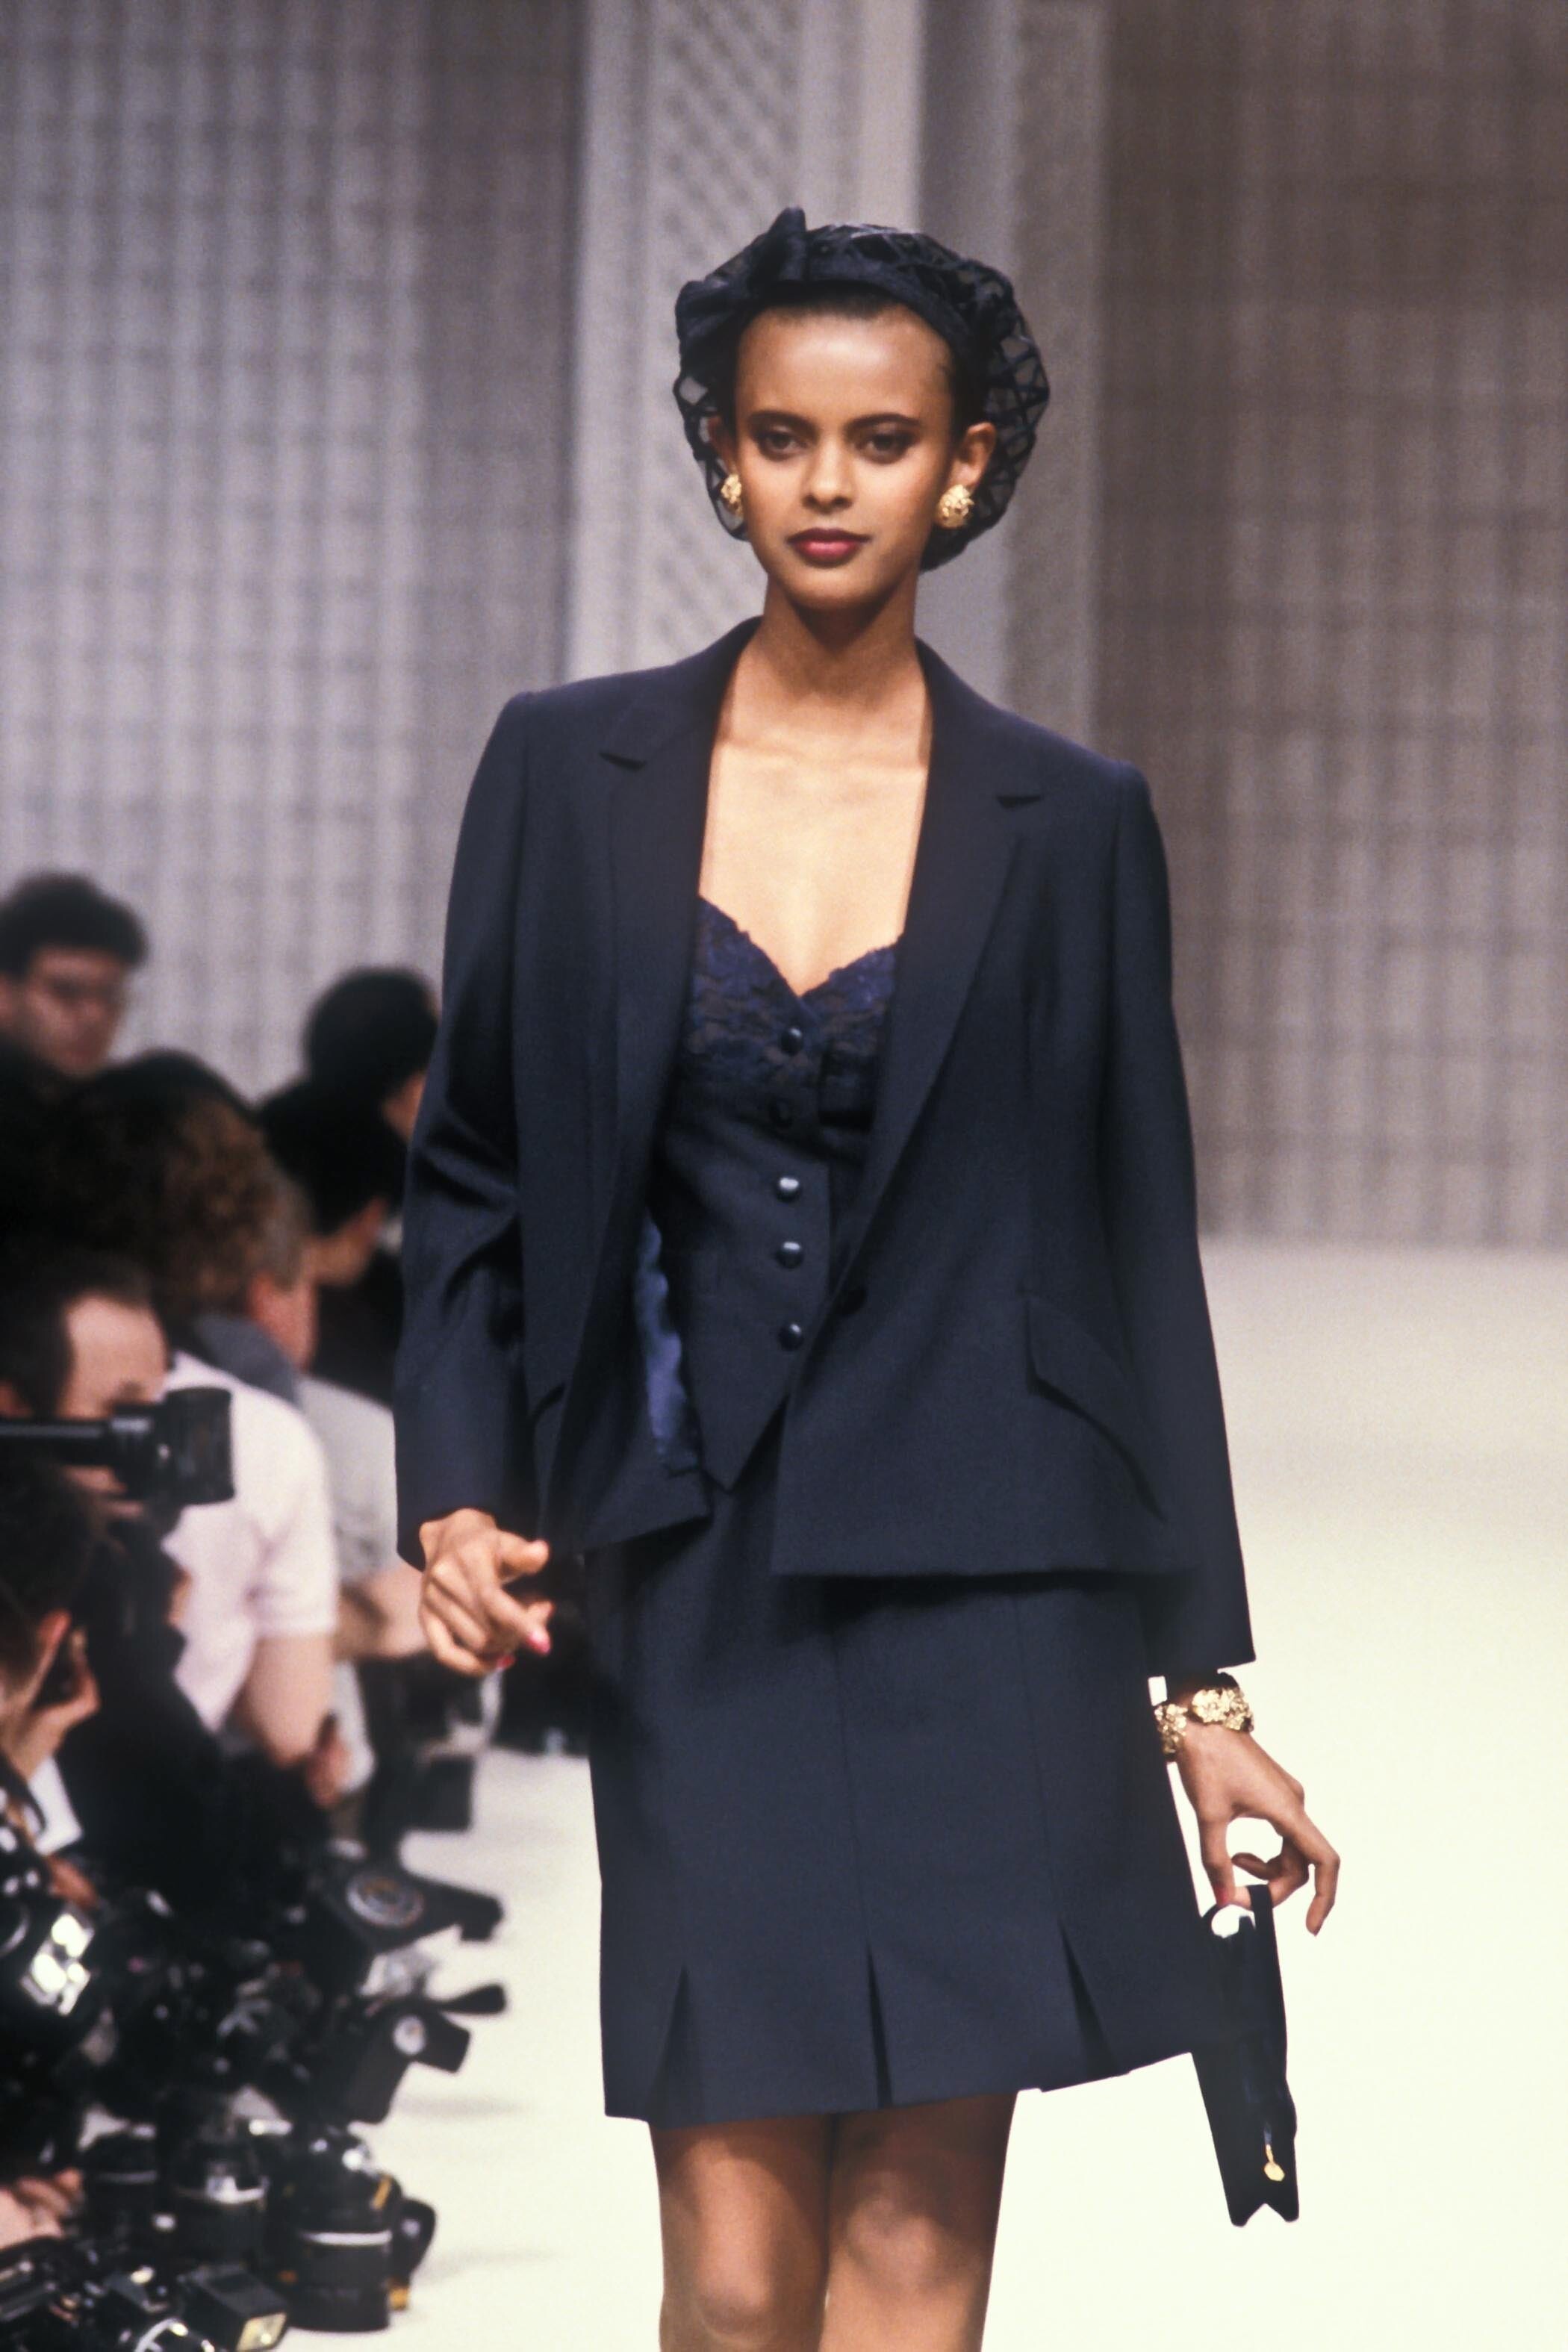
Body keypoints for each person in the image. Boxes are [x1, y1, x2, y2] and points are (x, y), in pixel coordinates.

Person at [395, 208, 1342, 2351]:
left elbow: (1133, 1258)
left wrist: (1201, 1696)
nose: (828, 484)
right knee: (734, 2278)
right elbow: (474, 1169)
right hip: (692, 1576)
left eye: (883, 439)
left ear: (966, 464)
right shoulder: (568, 769)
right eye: (782, 437)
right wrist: (456, 1486)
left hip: (996, 1588)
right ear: (724, 457)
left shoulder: (1069, 821)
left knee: (914, 2250)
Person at [0, 872, 148, 1235]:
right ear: (4, 994)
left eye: (109, 995)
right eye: (66, 992)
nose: (93, 1017)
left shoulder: (131, 1115)